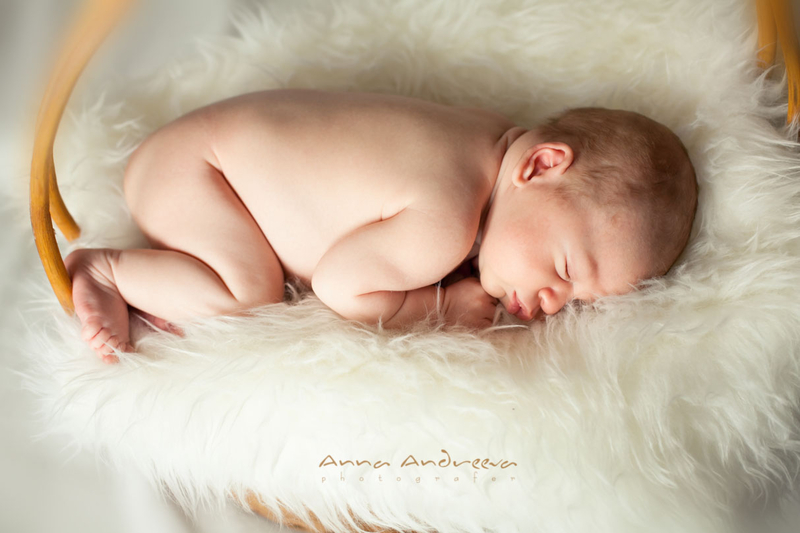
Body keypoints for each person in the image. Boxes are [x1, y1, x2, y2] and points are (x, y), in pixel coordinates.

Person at [64, 88, 698, 363]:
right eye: (564, 269)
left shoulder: (481, 137)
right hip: (200, 177)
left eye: (579, 301)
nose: (556, 302)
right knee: (248, 296)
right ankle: (105, 269)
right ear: (539, 165)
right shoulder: (445, 221)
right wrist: (441, 308)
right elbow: (342, 287)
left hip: (195, 149)